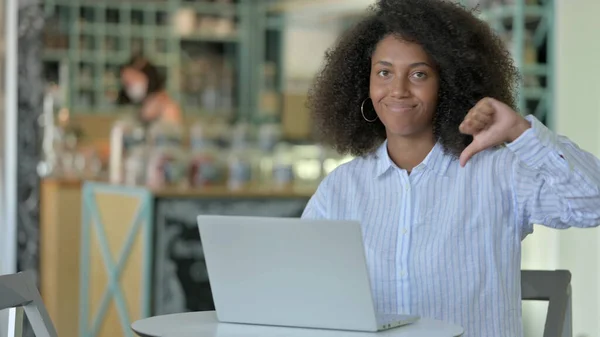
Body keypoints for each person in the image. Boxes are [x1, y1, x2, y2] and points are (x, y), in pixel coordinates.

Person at [301, 0, 600, 336]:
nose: (397, 90)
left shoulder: (499, 172)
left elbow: (593, 203)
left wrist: (520, 132)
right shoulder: (341, 188)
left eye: (419, 74)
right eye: (384, 72)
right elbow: (303, 284)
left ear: (449, 83)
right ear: (363, 83)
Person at [118, 54, 182, 125]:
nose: (130, 88)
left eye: (131, 82)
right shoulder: (137, 109)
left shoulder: (168, 108)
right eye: (126, 84)